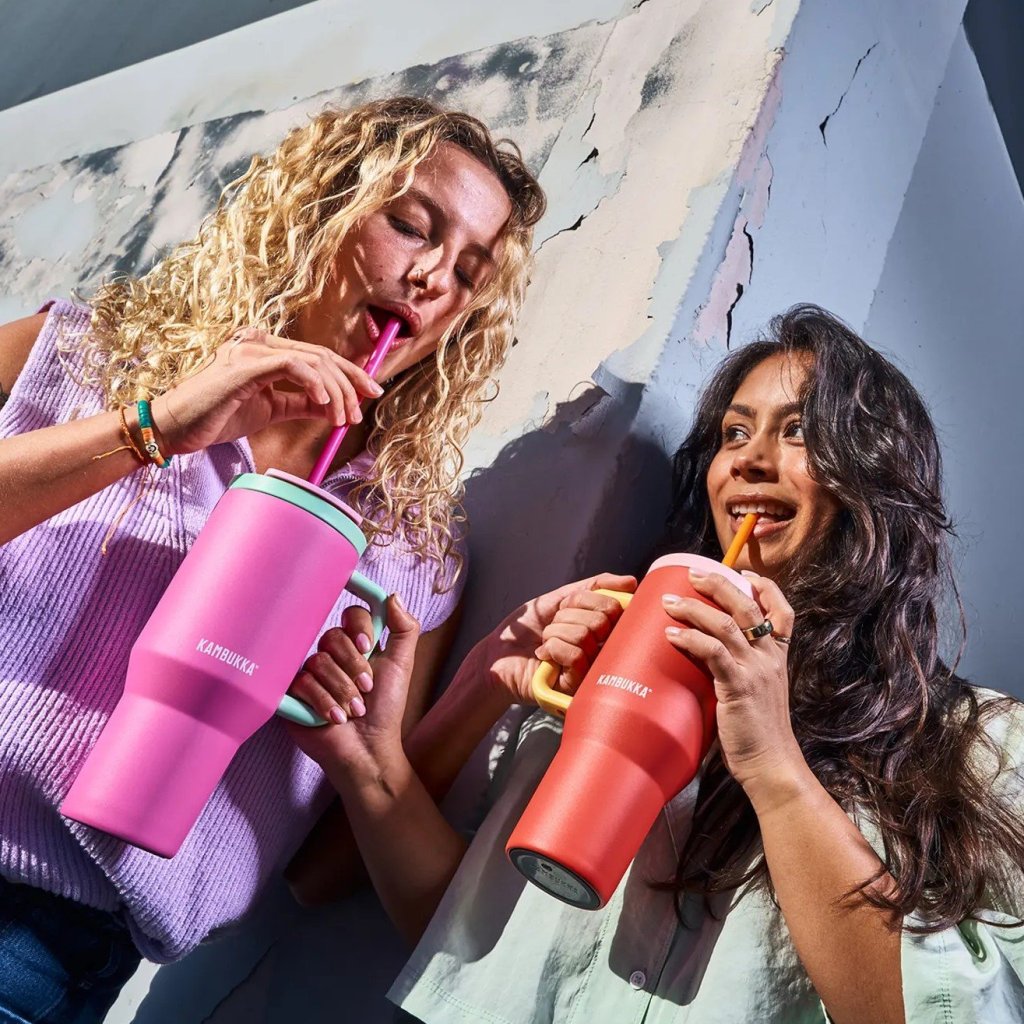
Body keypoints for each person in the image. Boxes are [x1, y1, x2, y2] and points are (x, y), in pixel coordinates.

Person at [298, 305, 1024, 1023]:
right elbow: (464, 953)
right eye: (734, 433)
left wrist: (773, 767)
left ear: (876, 478)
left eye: (799, 430)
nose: (747, 460)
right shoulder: (616, 669)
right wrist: (379, 760)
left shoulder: (984, 745)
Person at [0, 96, 545, 1021]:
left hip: (59, 963)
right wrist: (155, 429)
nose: (430, 278)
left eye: (468, 271)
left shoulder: (412, 548)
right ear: (320, 208)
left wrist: (477, 682)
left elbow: (318, 873)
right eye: (412, 226)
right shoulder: (85, 355)